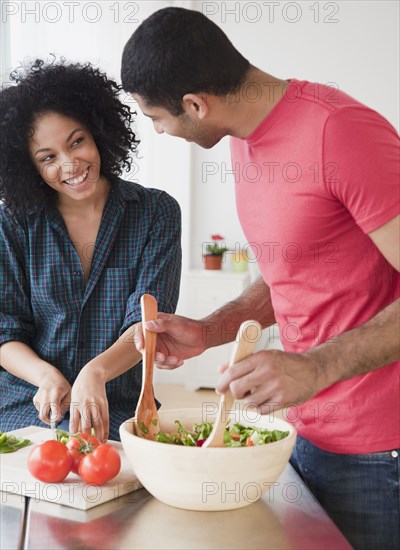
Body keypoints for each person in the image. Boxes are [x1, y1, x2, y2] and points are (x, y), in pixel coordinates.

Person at [120, 7, 399, 549]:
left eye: (157, 118)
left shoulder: (340, 132)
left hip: (378, 451)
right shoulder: (243, 140)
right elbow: (294, 276)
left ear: (196, 104)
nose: (158, 131)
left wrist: (314, 366)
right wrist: (208, 331)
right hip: (303, 433)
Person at [0, 59, 182, 442]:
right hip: (26, 403)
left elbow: (148, 323)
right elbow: (4, 330)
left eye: (77, 141)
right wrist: (46, 376)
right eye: (47, 158)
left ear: (99, 132)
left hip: (118, 405)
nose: (70, 165)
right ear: (28, 167)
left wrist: (95, 372)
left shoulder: (155, 213)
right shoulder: (12, 225)